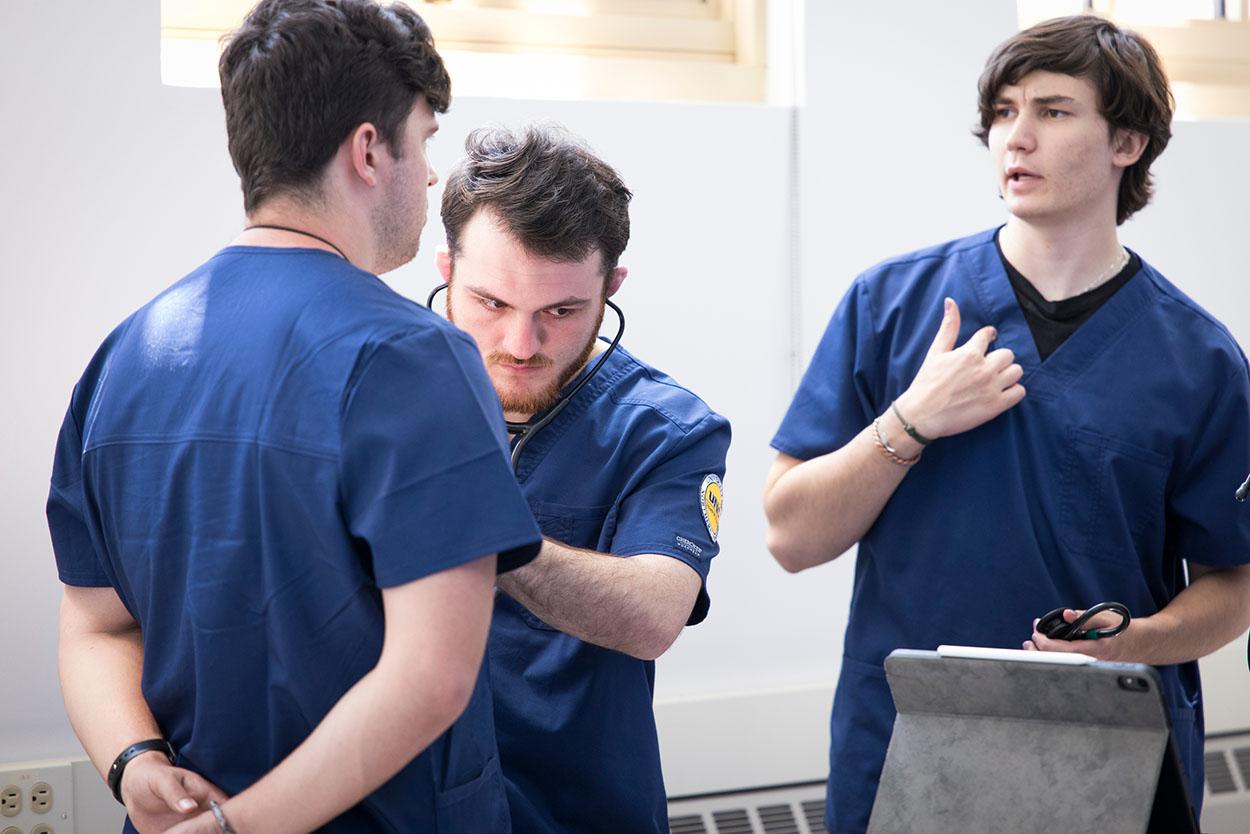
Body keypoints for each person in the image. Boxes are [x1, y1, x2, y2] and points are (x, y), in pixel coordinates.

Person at [46, 2, 541, 832]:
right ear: (369, 150)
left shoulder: (124, 355)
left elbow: (94, 625)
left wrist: (134, 762)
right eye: (422, 141)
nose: (428, 176)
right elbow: (431, 675)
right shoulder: (410, 356)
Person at [763, 15, 1250, 833]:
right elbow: (790, 537)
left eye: (1053, 112)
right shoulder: (890, 305)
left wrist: (1135, 641)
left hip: (1114, 746)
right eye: (1002, 111)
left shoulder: (1197, 360)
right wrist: (912, 422)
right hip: (910, 738)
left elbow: (1234, 585)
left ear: (1126, 142)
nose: (1014, 137)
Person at [432, 124, 732, 834]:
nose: (520, 345)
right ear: (446, 270)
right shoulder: (375, 396)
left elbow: (655, 614)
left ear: (611, 287)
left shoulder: (666, 428)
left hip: (577, 810)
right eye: (490, 304)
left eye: (561, 311)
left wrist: (475, 526)